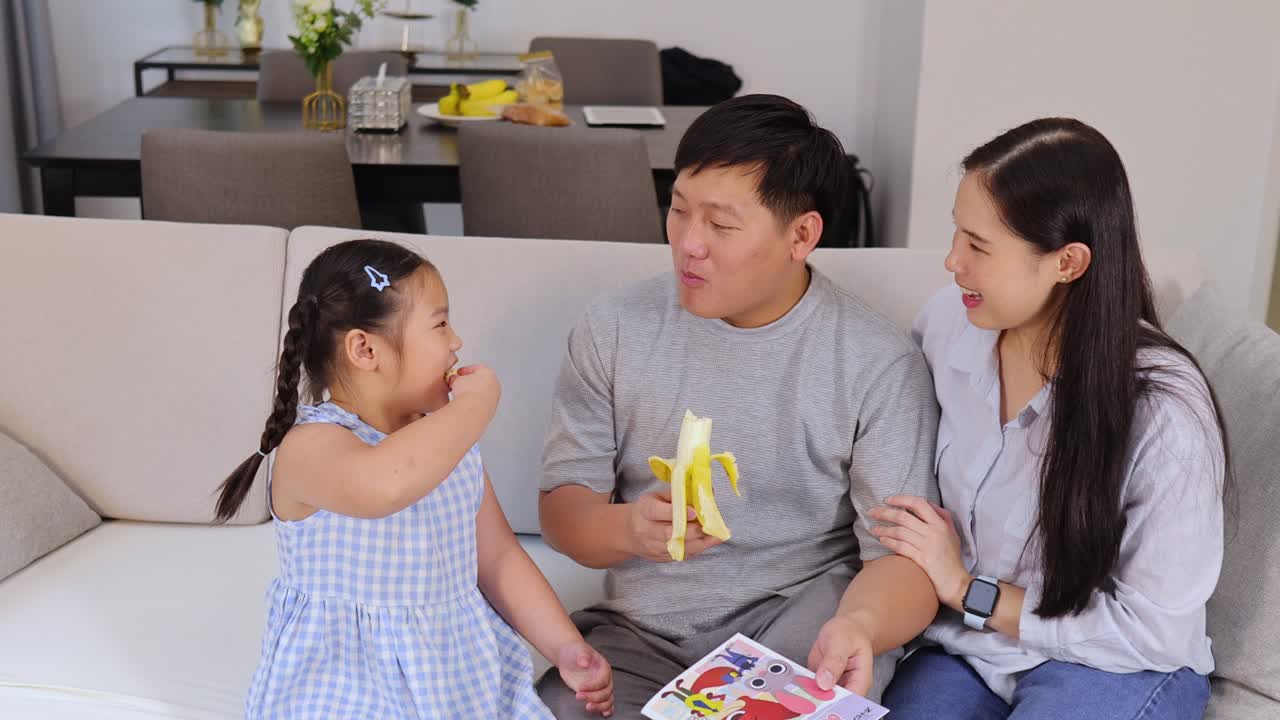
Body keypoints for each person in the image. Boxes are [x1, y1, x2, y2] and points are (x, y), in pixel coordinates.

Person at [536, 94, 941, 717]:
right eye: (678, 211)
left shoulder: (874, 360)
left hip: (799, 625)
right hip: (639, 637)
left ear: (801, 235)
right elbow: (564, 514)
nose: (689, 244)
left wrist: (861, 625)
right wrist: (627, 529)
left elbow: (903, 562)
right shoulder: (615, 327)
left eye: (721, 225)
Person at [876, 118, 1227, 720]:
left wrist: (965, 589)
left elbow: (1153, 633)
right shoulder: (949, 325)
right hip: (970, 648)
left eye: (979, 246)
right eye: (957, 234)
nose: (952, 261)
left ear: (1067, 262)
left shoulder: (1164, 413)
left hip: (1113, 662)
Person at [216, 239, 615, 718]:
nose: (456, 342)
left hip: (455, 678)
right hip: (349, 686)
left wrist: (564, 647)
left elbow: (497, 558)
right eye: (440, 324)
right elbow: (386, 484)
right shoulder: (311, 447)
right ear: (366, 349)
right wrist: (475, 404)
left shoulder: (443, 439)